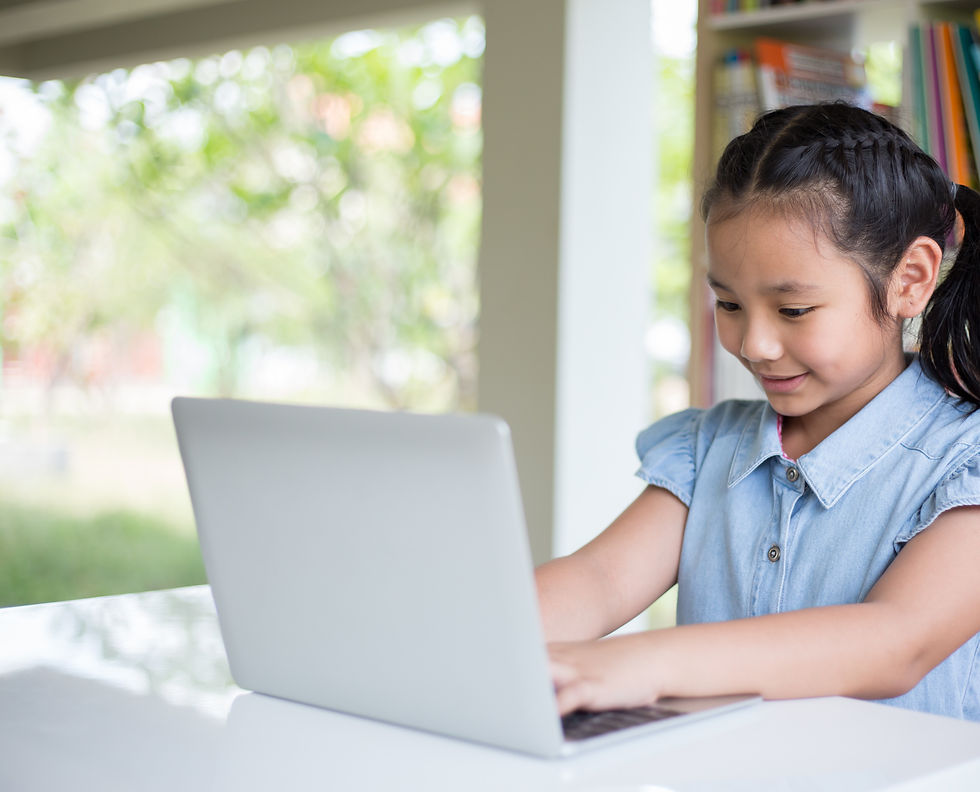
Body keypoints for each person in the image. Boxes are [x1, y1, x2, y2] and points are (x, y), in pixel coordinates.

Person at [536, 102, 980, 721]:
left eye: (793, 311)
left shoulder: (966, 462)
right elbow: (600, 580)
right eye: (729, 304)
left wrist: (641, 663)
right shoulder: (708, 446)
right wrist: (487, 631)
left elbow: (895, 641)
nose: (754, 345)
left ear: (910, 279)